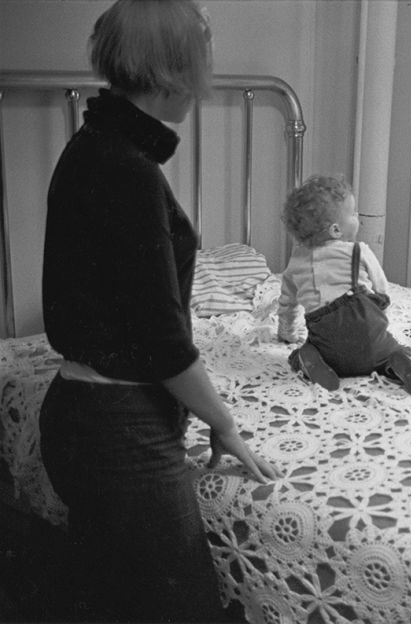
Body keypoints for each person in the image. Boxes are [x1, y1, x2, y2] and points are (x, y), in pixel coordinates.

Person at [39, 1, 281, 621]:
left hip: (86, 417)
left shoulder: (93, 148)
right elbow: (163, 342)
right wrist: (223, 424)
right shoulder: (126, 170)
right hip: (118, 429)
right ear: (175, 74)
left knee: (106, 598)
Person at [278, 174, 411, 398]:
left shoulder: (295, 264)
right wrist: (379, 316)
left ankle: (309, 358)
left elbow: (288, 305)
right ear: (335, 230)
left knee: (302, 351)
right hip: (367, 332)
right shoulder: (359, 251)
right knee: (387, 348)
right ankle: (396, 360)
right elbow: (382, 290)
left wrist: (287, 332)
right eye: (352, 213)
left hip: (329, 345)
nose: (357, 216)